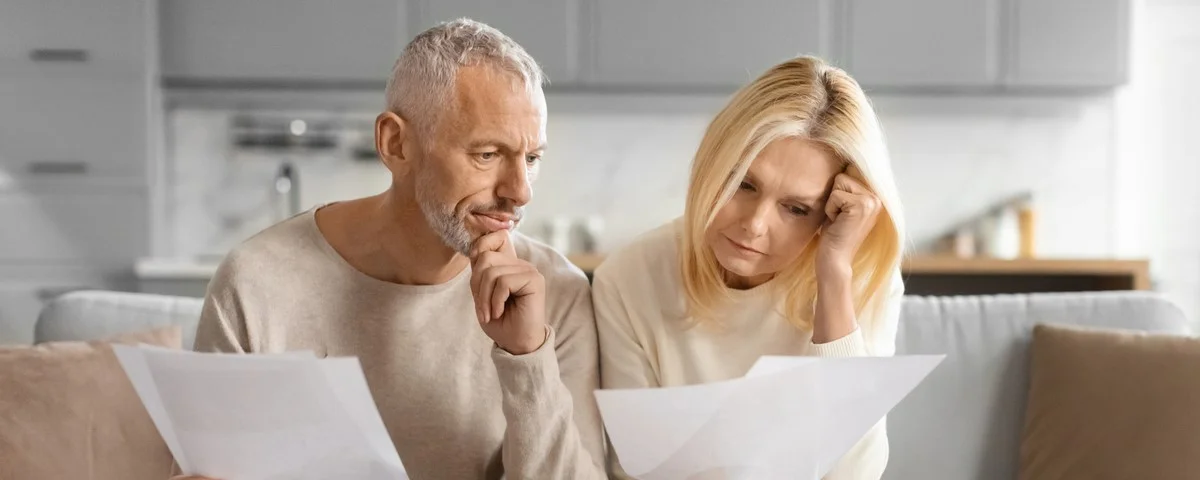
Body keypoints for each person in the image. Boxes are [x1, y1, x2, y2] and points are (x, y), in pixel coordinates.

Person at [174, 19, 605, 480]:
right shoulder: (256, 282)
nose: (520, 191)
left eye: (532, 158)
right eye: (487, 155)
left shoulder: (556, 294)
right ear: (396, 144)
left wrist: (527, 356)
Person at [593, 56, 906, 479]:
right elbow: (632, 470)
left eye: (796, 208)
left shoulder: (863, 281)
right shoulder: (629, 278)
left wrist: (833, 279)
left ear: (828, 215)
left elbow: (856, 471)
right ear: (715, 161)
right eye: (744, 183)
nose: (755, 225)